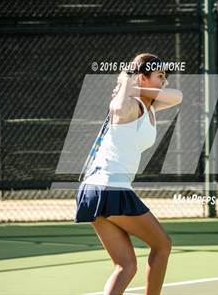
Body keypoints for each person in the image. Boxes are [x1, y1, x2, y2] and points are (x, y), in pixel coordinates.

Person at [74, 53, 183, 295]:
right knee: (162, 245)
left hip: (95, 190)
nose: (165, 81)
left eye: (165, 76)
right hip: (109, 189)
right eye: (159, 76)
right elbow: (118, 108)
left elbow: (178, 97)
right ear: (142, 78)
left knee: (126, 266)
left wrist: (137, 88)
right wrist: (126, 83)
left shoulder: (147, 103)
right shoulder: (131, 105)